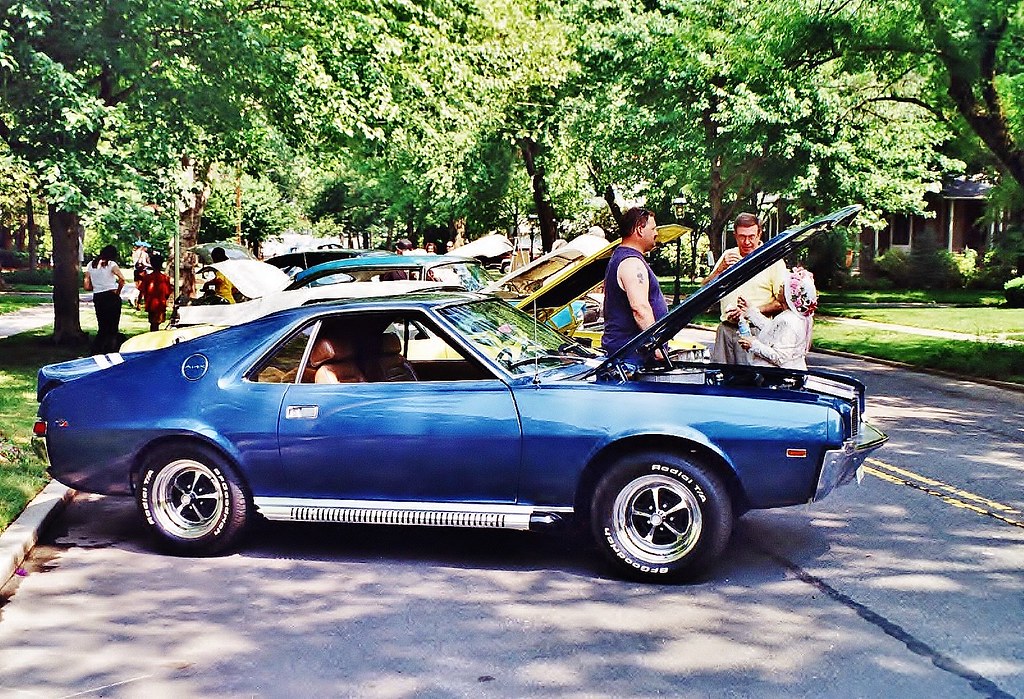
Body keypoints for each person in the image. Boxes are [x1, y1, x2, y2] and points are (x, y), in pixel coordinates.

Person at [703, 212, 787, 364]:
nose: (747, 242)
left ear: (759, 233)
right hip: (726, 330)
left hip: (756, 332)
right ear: (735, 235)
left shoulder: (773, 260)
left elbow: (781, 303)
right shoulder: (728, 256)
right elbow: (705, 290)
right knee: (720, 381)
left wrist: (749, 312)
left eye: (751, 236)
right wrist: (720, 269)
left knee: (751, 382)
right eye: (742, 236)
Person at [601, 207, 668, 364]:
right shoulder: (631, 262)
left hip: (628, 357)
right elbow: (640, 308)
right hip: (631, 361)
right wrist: (657, 348)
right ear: (639, 229)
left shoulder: (622, 257)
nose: (656, 233)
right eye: (653, 228)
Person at [737, 267, 817, 370]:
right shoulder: (794, 316)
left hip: (779, 378)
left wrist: (753, 344)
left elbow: (780, 358)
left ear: (790, 294)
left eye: (783, 286)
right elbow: (773, 329)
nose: (780, 287)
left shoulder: (789, 321)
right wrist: (750, 311)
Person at [83, 244, 126, 354]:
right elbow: (122, 279)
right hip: (111, 296)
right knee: (112, 327)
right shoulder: (111, 264)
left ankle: (97, 350)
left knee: (102, 326)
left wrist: (96, 286)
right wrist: (118, 291)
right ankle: (111, 350)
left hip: (98, 296)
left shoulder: (91, 265)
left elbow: (86, 286)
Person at [141, 253, 173, 331]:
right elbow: (168, 292)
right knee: (156, 322)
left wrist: (139, 302)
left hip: (151, 304)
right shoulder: (165, 278)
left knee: (153, 323)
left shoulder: (147, 277)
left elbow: (142, 290)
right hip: (161, 304)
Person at [131, 241, 151, 310]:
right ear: (143, 247)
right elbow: (144, 263)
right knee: (142, 288)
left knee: (137, 286)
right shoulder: (144, 254)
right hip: (142, 272)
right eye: (146, 247)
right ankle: (134, 299)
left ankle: (134, 299)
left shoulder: (134, 253)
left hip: (136, 271)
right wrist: (152, 265)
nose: (147, 249)